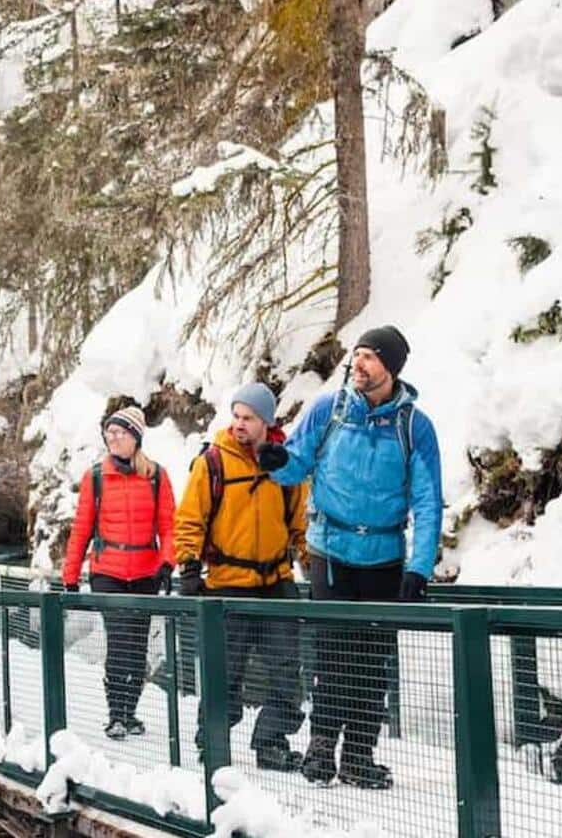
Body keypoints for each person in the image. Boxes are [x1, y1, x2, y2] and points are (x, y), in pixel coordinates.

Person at [260, 326, 443, 789]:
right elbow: (299, 463)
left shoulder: (415, 427)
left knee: (373, 659)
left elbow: (427, 500)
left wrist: (418, 570)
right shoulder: (329, 409)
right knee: (332, 654)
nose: (358, 364)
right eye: (356, 355)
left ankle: (359, 755)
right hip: (332, 552)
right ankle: (321, 750)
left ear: (391, 367)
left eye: (369, 357)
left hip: (383, 556)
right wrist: (277, 462)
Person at [173, 383, 309, 771]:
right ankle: (212, 739)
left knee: (286, 668)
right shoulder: (213, 462)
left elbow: (300, 523)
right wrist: (188, 566)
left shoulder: (285, 465)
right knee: (225, 669)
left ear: (266, 422)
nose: (239, 424)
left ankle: (271, 741)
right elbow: (190, 518)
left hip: (275, 583)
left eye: (247, 417)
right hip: (227, 583)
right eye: (235, 415)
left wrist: (310, 564)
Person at [61, 404, 177, 739]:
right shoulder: (95, 477)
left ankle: (130, 712)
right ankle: (116, 713)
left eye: (119, 432)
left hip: (145, 573)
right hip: (107, 572)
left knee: (137, 644)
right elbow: (81, 529)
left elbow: (170, 526)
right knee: (120, 640)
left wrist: (167, 562)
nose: (112, 438)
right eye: (109, 432)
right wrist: (70, 578)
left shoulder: (156, 476)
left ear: (135, 437)